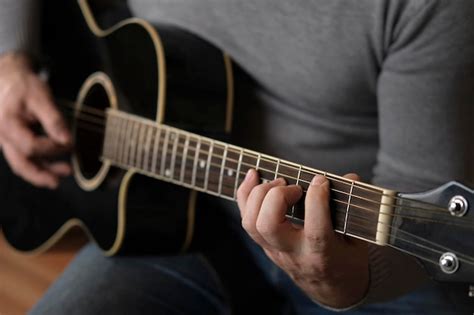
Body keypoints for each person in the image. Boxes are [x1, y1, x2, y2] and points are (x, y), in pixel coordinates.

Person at [0, 0, 473, 314]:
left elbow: (425, 234)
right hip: (172, 217)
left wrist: (344, 278)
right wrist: (11, 56)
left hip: (365, 255)